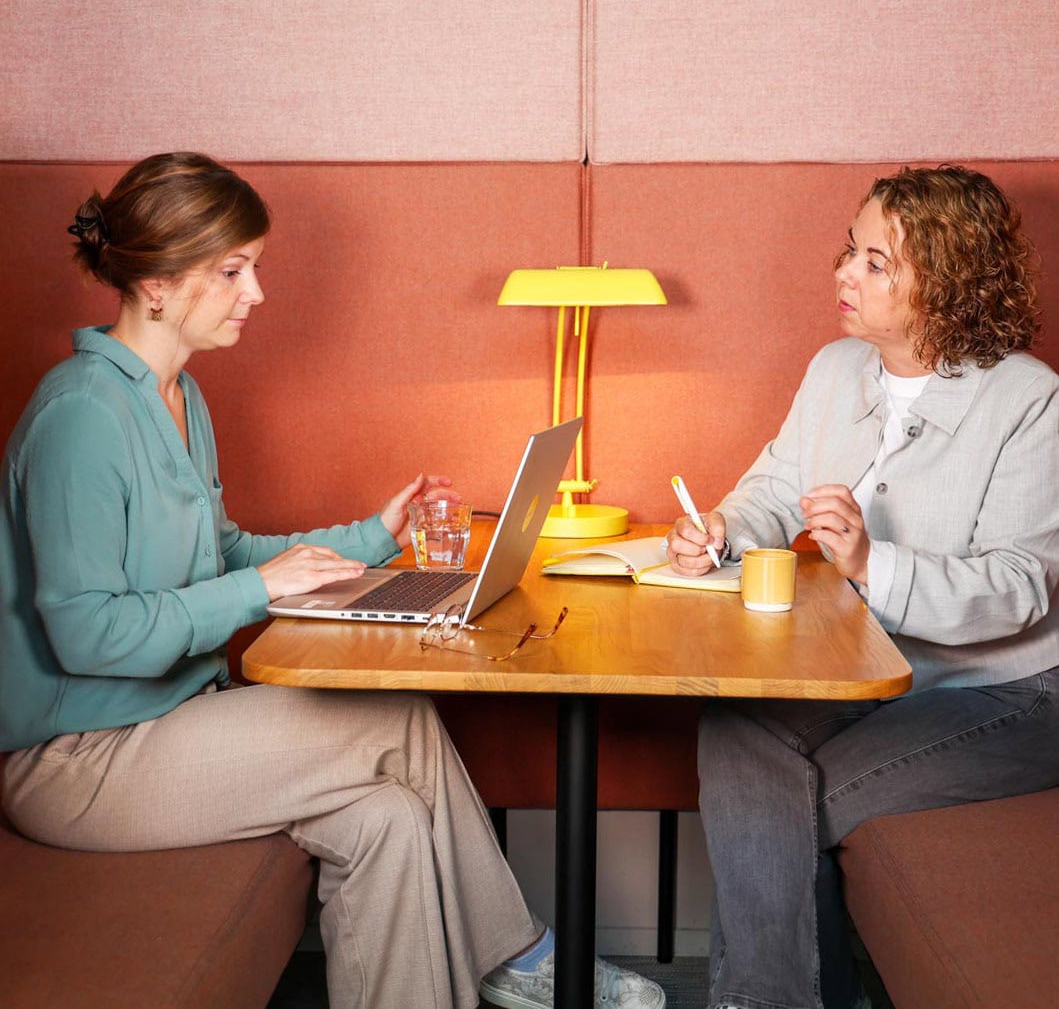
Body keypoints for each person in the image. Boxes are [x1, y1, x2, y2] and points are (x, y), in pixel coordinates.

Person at [0, 152, 665, 1009]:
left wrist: (370, 537)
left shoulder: (176, 396)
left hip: (172, 721)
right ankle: (521, 955)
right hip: (78, 763)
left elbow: (220, 550)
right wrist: (257, 591)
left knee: (384, 821)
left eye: (255, 269)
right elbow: (86, 633)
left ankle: (493, 966)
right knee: (400, 717)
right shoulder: (81, 415)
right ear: (158, 284)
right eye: (233, 271)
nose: (257, 294)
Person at [666, 165, 1059, 1009]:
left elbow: (1022, 584)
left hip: (1006, 694)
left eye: (875, 262)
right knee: (735, 729)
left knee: (774, 815)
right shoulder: (834, 369)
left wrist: (870, 565)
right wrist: (721, 531)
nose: (843, 273)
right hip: (856, 671)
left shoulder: (1030, 400)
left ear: (948, 277)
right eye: (851, 250)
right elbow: (774, 490)